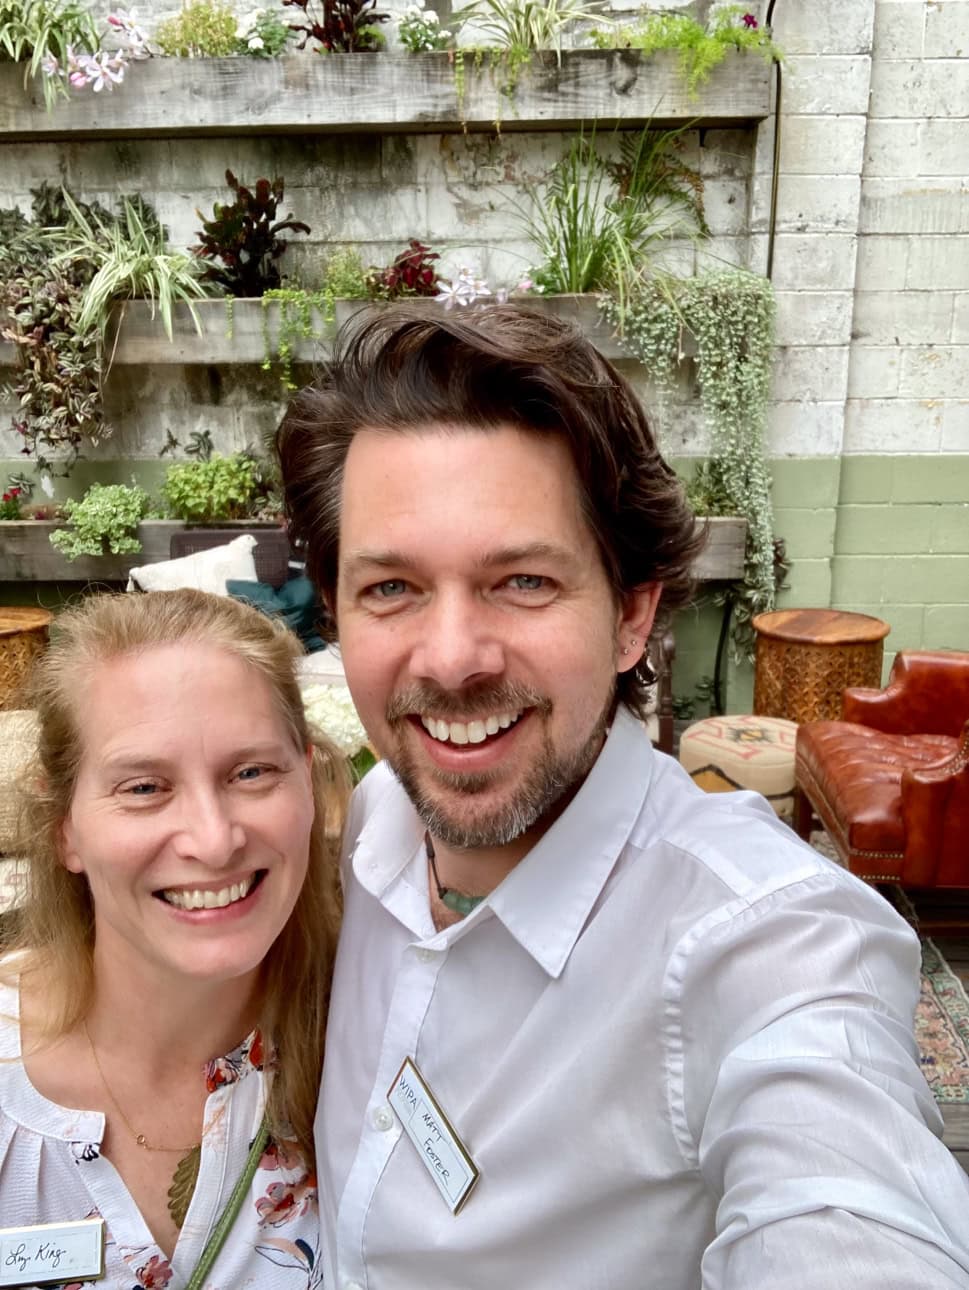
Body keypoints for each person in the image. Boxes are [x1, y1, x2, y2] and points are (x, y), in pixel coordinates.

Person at [277, 304, 969, 1290]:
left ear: (633, 613)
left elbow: (848, 1204)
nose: (452, 659)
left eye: (521, 581)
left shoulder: (767, 942)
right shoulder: (365, 825)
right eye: (391, 588)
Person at [0, 588, 346, 1289]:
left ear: (307, 783)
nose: (213, 841)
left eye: (250, 773)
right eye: (144, 787)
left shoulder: (379, 1040)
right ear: (64, 823)